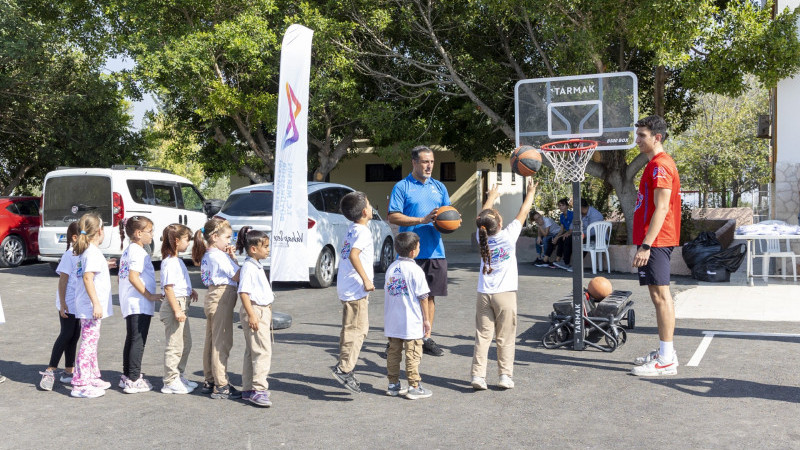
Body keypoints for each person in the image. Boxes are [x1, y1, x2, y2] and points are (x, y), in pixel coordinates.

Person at [471, 181, 536, 391]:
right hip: (505, 294)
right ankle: (504, 376)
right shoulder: (508, 236)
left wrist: (491, 196)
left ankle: (478, 376)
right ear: (499, 224)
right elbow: (524, 210)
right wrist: (531, 192)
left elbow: (481, 217)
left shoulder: (482, 237)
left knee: (483, 336)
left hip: (484, 293)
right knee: (505, 337)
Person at [630, 115, 682, 377]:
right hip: (654, 240)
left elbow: (662, 208)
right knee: (658, 296)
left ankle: (666, 359)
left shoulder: (661, 166)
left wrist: (646, 245)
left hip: (657, 241)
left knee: (662, 297)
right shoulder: (654, 165)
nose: (637, 140)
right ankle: (665, 352)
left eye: (642, 136)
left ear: (657, 137)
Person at [388, 145, 451, 357]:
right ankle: (396, 339)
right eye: (425, 161)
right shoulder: (402, 187)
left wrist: (450, 223)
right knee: (403, 297)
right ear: (414, 162)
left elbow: (448, 215)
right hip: (408, 253)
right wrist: (421, 220)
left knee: (430, 297)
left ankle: (425, 338)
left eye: (431, 162)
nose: (429, 166)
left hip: (435, 251)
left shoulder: (439, 187)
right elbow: (393, 216)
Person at [331, 191, 375, 394]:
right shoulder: (363, 232)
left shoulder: (353, 229)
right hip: (356, 288)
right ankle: (344, 368)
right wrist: (366, 279)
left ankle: (345, 365)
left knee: (351, 328)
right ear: (365, 211)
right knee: (358, 329)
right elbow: (354, 255)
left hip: (348, 286)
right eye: (370, 203)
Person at [193, 217, 241, 399]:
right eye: (227, 237)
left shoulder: (209, 254)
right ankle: (221, 384)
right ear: (214, 237)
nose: (230, 241)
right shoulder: (218, 256)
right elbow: (237, 276)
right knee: (222, 341)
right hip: (222, 296)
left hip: (213, 295)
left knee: (212, 339)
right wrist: (234, 258)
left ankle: (210, 379)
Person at [384, 231, 432, 399]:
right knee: (412, 353)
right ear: (413, 252)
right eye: (418, 247)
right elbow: (424, 297)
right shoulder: (415, 270)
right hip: (411, 321)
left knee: (393, 353)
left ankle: (393, 384)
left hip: (392, 321)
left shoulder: (391, 268)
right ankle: (414, 386)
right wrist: (426, 320)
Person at [70, 213, 114, 398]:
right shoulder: (92, 252)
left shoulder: (87, 251)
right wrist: (96, 303)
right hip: (90, 306)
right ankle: (80, 383)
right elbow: (88, 278)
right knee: (88, 343)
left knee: (92, 341)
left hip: (86, 305)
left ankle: (92, 375)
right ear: (99, 232)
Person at [118, 216, 162, 394]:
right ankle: (134, 379)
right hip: (138, 303)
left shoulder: (130, 250)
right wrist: (150, 295)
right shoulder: (137, 252)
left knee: (132, 338)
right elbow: (133, 276)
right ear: (138, 233)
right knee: (138, 340)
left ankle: (128, 374)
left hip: (132, 302)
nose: (152, 235)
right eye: (149, 231)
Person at [39, 222, 81, 391]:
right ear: (75, 238)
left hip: (78, 303)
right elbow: (62, 281)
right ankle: (50, 370)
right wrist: (63, 303)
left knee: (74, 336)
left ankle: (68, 371)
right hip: (68, 302)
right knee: (66, 334)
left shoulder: (84, 254)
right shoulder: (69, 255)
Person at [235, 226, 274, 407]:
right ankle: (259, 389)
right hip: (256, 310)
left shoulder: (255, 265)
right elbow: (244, 292)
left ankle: (248, 388)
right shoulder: (249, 267)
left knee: (252, 350)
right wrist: (252, 315)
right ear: (253, 249)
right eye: (265, 246)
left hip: (260, 310)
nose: (268, 249)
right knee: (262, 351)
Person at [159, 224, 199, 393]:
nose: (188, 243)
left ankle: (178, 374)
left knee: (186, 343)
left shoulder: (178, 261)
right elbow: (168, 288)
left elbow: (179, 283)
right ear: (176, 240)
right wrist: (176, 310)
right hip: (175, 305)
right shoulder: (168, 262)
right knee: (175, 345)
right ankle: (170, 380)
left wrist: (191, 290)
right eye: (186, 239)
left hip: (182, 303)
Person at [552, 198, 574, 272]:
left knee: (565, 240)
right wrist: (557, 237)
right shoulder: (561, 216)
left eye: (563, 205)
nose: (561, 207)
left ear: (567, 206)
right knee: (558, 239)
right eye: (560, 205)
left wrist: (563, 235)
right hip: (567, 233)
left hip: (573, 233)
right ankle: (558, 259)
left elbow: (572, 229)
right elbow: (561, 230)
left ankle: (565, 262)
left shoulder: (572, 214)